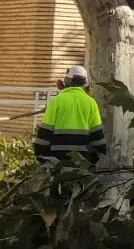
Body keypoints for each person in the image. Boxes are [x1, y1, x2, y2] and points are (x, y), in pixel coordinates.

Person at [33, 65, 108, 199]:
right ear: (85, 83)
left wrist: (44, 160)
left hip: (59, 166)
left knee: (57, 203)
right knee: (77, 204)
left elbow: (43, 137)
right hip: (81, 167)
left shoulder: (57, 101)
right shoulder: (91, 103)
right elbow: (99, 142)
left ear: (66, 81)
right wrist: (91, 162)